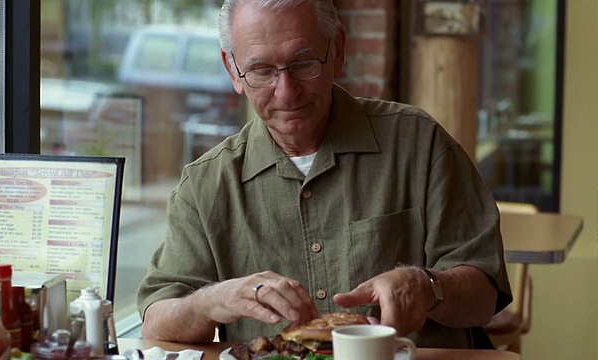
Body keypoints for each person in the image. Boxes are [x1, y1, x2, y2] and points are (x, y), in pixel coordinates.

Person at [137, 0, 512, 349]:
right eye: (262, 70)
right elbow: (156, 322)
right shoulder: (206, 185)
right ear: (232, 70)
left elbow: (484, 297)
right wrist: (213, 300)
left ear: (339, 50)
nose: (286, 92)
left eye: (303, 63)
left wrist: (427, 287)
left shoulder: (419, 143)